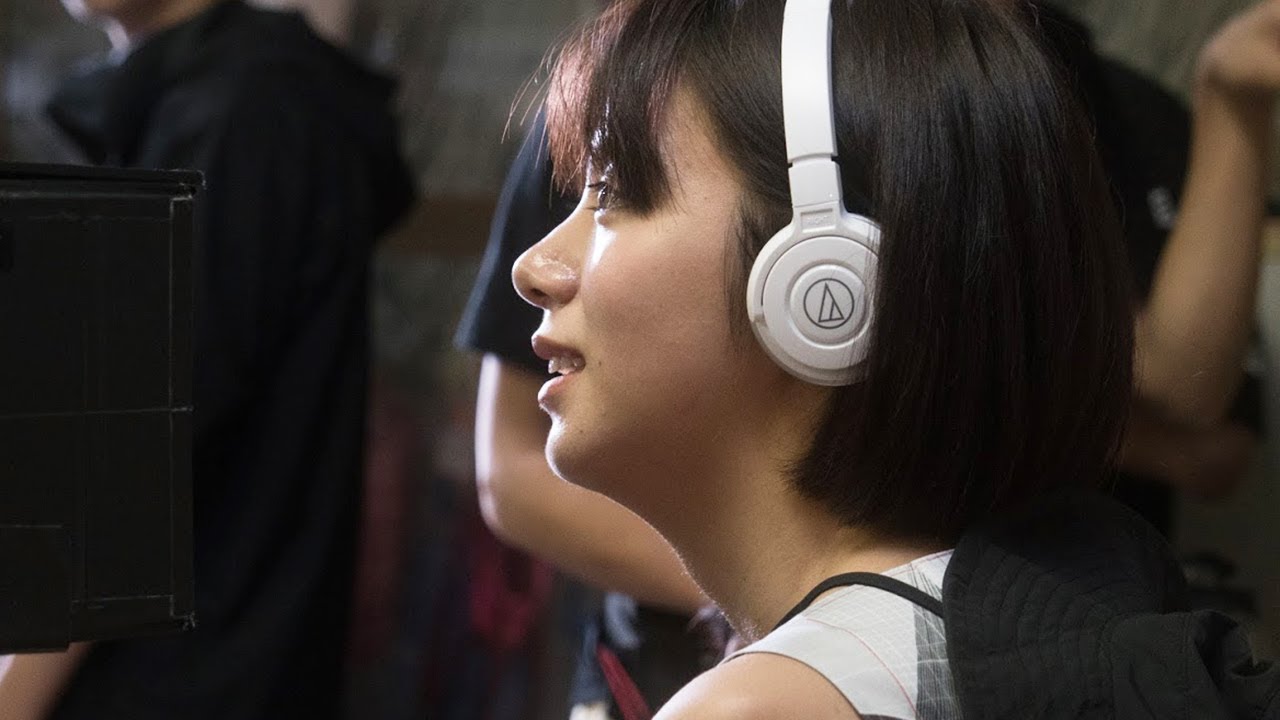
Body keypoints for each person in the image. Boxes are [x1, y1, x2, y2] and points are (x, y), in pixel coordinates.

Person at [510, 0, 1280, 717]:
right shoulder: (1025, 627)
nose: (533, 267)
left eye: (615, 192)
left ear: (824, 276)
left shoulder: (760, 708)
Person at [0, 1, 414, 718]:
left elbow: (130, 459)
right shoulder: (183, 95)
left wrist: (11, 694)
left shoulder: (244, 111)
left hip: (181, 678)